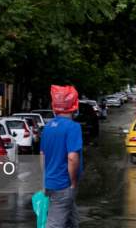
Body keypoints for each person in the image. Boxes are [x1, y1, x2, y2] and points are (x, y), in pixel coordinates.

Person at [40, 86, 83, 228]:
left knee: (71, 222)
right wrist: (73, 183)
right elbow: (72, 157)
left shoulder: (48, 127)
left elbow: (42, 155)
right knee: (54, 224)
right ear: (74, 106)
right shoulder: (73, 127)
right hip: (63, 185)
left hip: (49, 182)